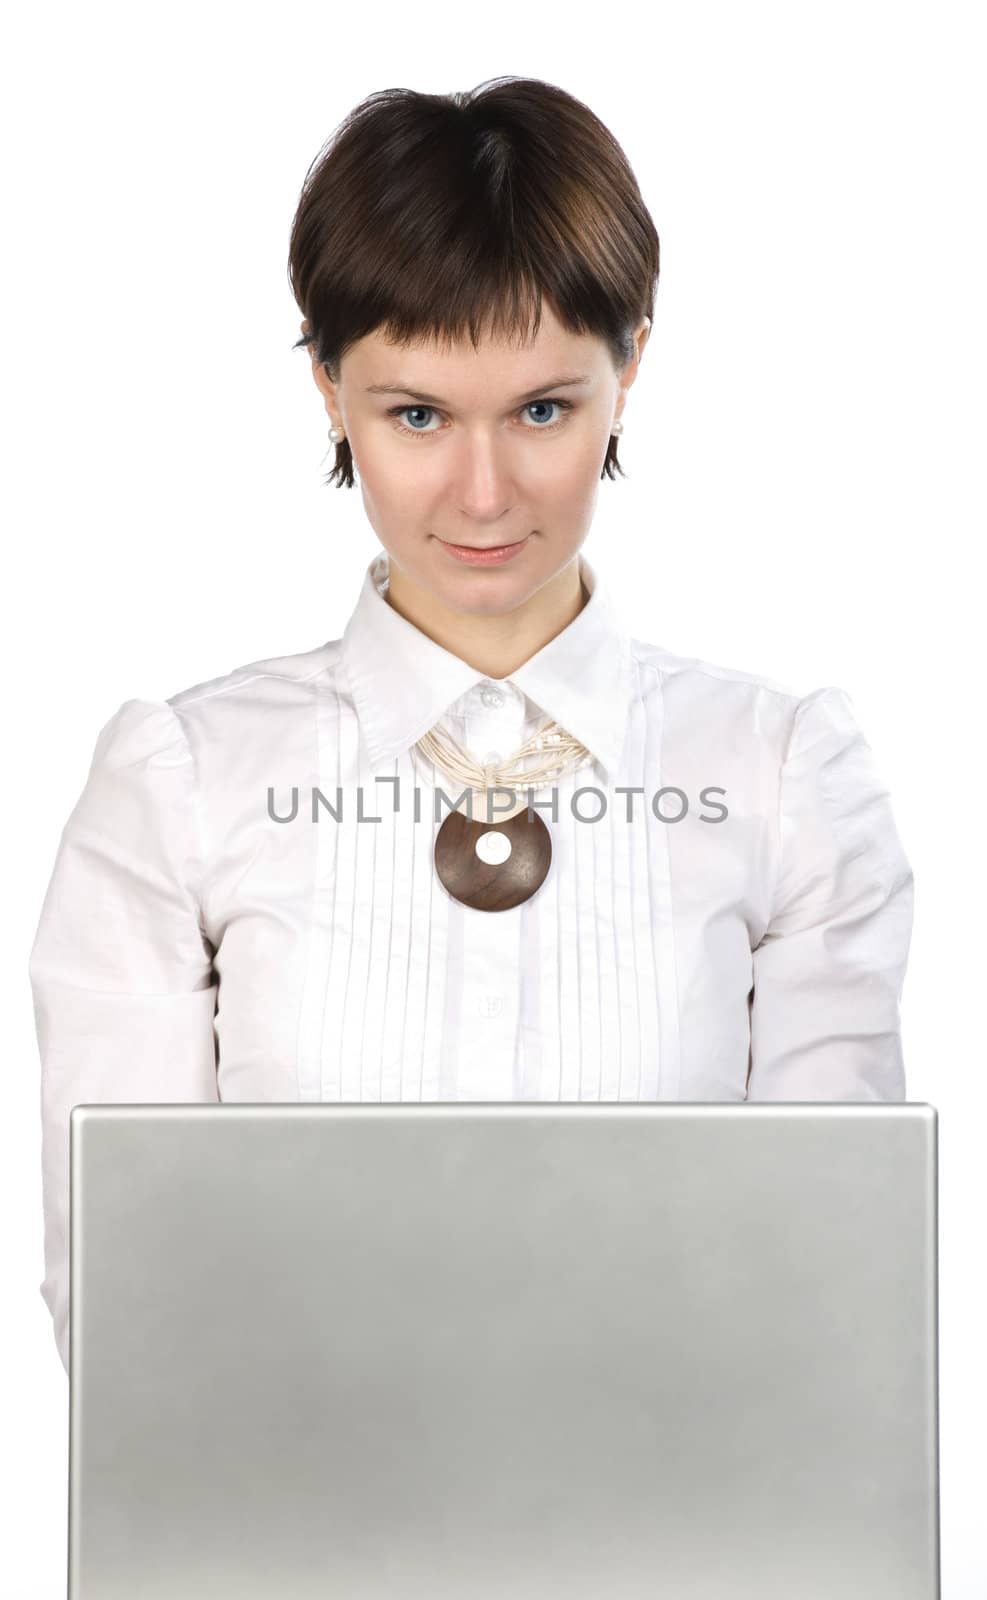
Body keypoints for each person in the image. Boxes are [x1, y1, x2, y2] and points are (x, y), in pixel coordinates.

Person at [28, 76, 914, 1377]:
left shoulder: (786, 776)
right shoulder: (183, 783)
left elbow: (837, 1283)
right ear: (332, 390)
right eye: (419, 415)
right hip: (286, 1551)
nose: (485, 494)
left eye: (543, 411)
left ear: (631, 371)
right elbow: (126, 1301)